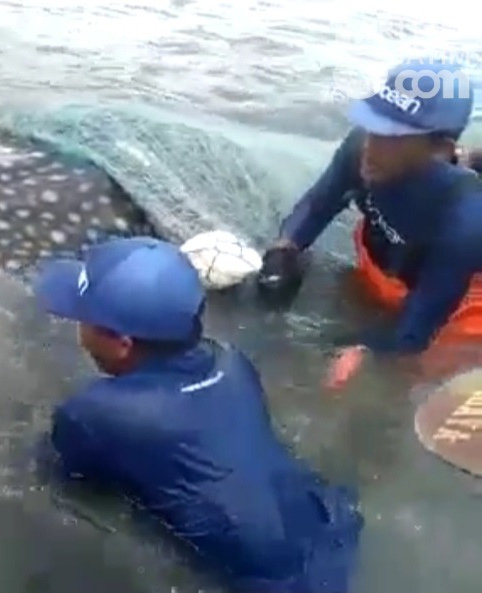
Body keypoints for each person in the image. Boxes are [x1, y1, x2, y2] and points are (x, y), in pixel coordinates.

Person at [34, 236, 363, 593]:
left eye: (83, 317)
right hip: (329, 527)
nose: (77, 327)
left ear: (122, 343)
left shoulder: (91, 414)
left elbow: (67, 488)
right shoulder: (232, 361)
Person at [256, 61, 482, 389]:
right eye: (375, 124)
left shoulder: (467, 221)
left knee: (411, 378)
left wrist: (368, 351)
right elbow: (318, 204)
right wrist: (285, 248)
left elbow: (416, 331)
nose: (370, 147)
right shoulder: (362, 147)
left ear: (439, 151)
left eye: (394, 137)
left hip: (459, 298)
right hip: (384, 258)